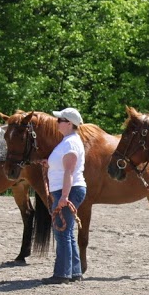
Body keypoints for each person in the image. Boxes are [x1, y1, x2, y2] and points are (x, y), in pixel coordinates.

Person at [43, 107, 87, 284]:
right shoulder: (69, 141)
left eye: (60, 120)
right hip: (68, 189)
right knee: (66, 232)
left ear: (69, 124)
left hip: (69, 190)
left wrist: (64, 197)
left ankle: (62, 274)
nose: (56, 122)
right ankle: (74, 272)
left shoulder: (69, 143)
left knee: (61, 232)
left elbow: (69, 171)